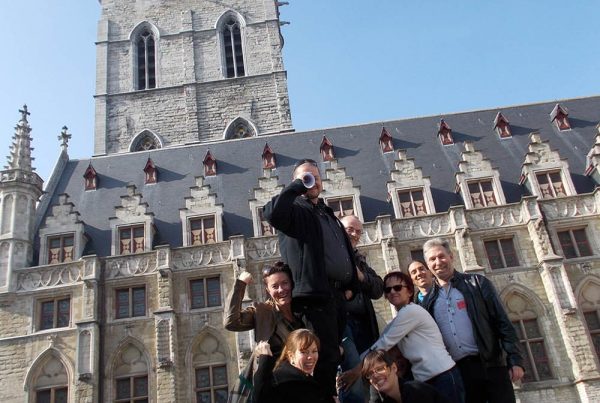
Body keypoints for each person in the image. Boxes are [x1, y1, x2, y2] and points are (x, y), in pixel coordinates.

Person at [263, 158, 360, 396]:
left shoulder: (327, 213)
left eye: (315, 177)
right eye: (306, 177)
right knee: (320, 360)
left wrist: (351, 286)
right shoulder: (295, 210)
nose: (312, 181)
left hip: (336, 296)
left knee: (333, 356)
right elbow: (272, 213)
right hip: (314, 298)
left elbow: (344, 250)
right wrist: (298, 186)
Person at [421, 238, 525, 403]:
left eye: (441, 256)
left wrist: (515, 360)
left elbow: (502, 322)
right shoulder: (428, 301)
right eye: (432, 259)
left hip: (490, 365)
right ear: (428, 265)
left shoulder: (477, 283)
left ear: (451, 256)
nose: (438, 262)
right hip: (459, 373)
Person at [339, 271, 464, 403]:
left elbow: (383, 344)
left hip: (443, 376)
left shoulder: (411, 311)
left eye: (397, 288)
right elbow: (380, 342)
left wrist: (356, 370)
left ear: (409, 291)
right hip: (426, 380)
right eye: (388, 290)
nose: (392, 292)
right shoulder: (399, 319)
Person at [223, 261, 304, 402]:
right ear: (268, 290)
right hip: (272, 384)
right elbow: (231, 322)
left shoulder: (304, 310)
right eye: (275, 286)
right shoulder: (262, 312)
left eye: (285, 283)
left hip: (301, 380)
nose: (281, 290)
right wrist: (240, 284)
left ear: (291, 283)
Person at [339, 214, 384, 403]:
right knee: (352, 380)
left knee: (370, 376)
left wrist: (362, 277)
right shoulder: (328, 256)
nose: (354, 234)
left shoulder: (360, 260)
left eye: (358, 231)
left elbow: (378, 288)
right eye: (350, 229)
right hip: (342, 325)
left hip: (364, 325)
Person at [266, 328, 336, 403]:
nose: (310, 357)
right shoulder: (284, 384)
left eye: (314, 351)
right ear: (291, 356)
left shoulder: (315, 378)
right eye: (304, 352)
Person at [362, 350, 450, 403]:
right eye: (369, 374)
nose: (375, 375)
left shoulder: (414, 390)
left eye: (380, 369)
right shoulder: (383, 396)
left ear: (394, 368)